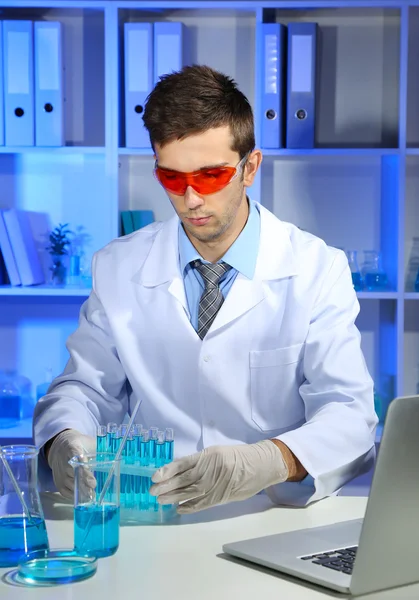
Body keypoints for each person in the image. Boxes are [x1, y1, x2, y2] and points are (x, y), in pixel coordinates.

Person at [34, 65, 378, 513]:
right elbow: (84, 388)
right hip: (152, 514)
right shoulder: (118, 267)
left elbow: (350, 415)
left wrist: (269, 460)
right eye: (172, 178)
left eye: (210, 176)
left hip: (269, 514)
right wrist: (65, 439)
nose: (191, 199)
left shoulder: (316, 268)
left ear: (250, 166)